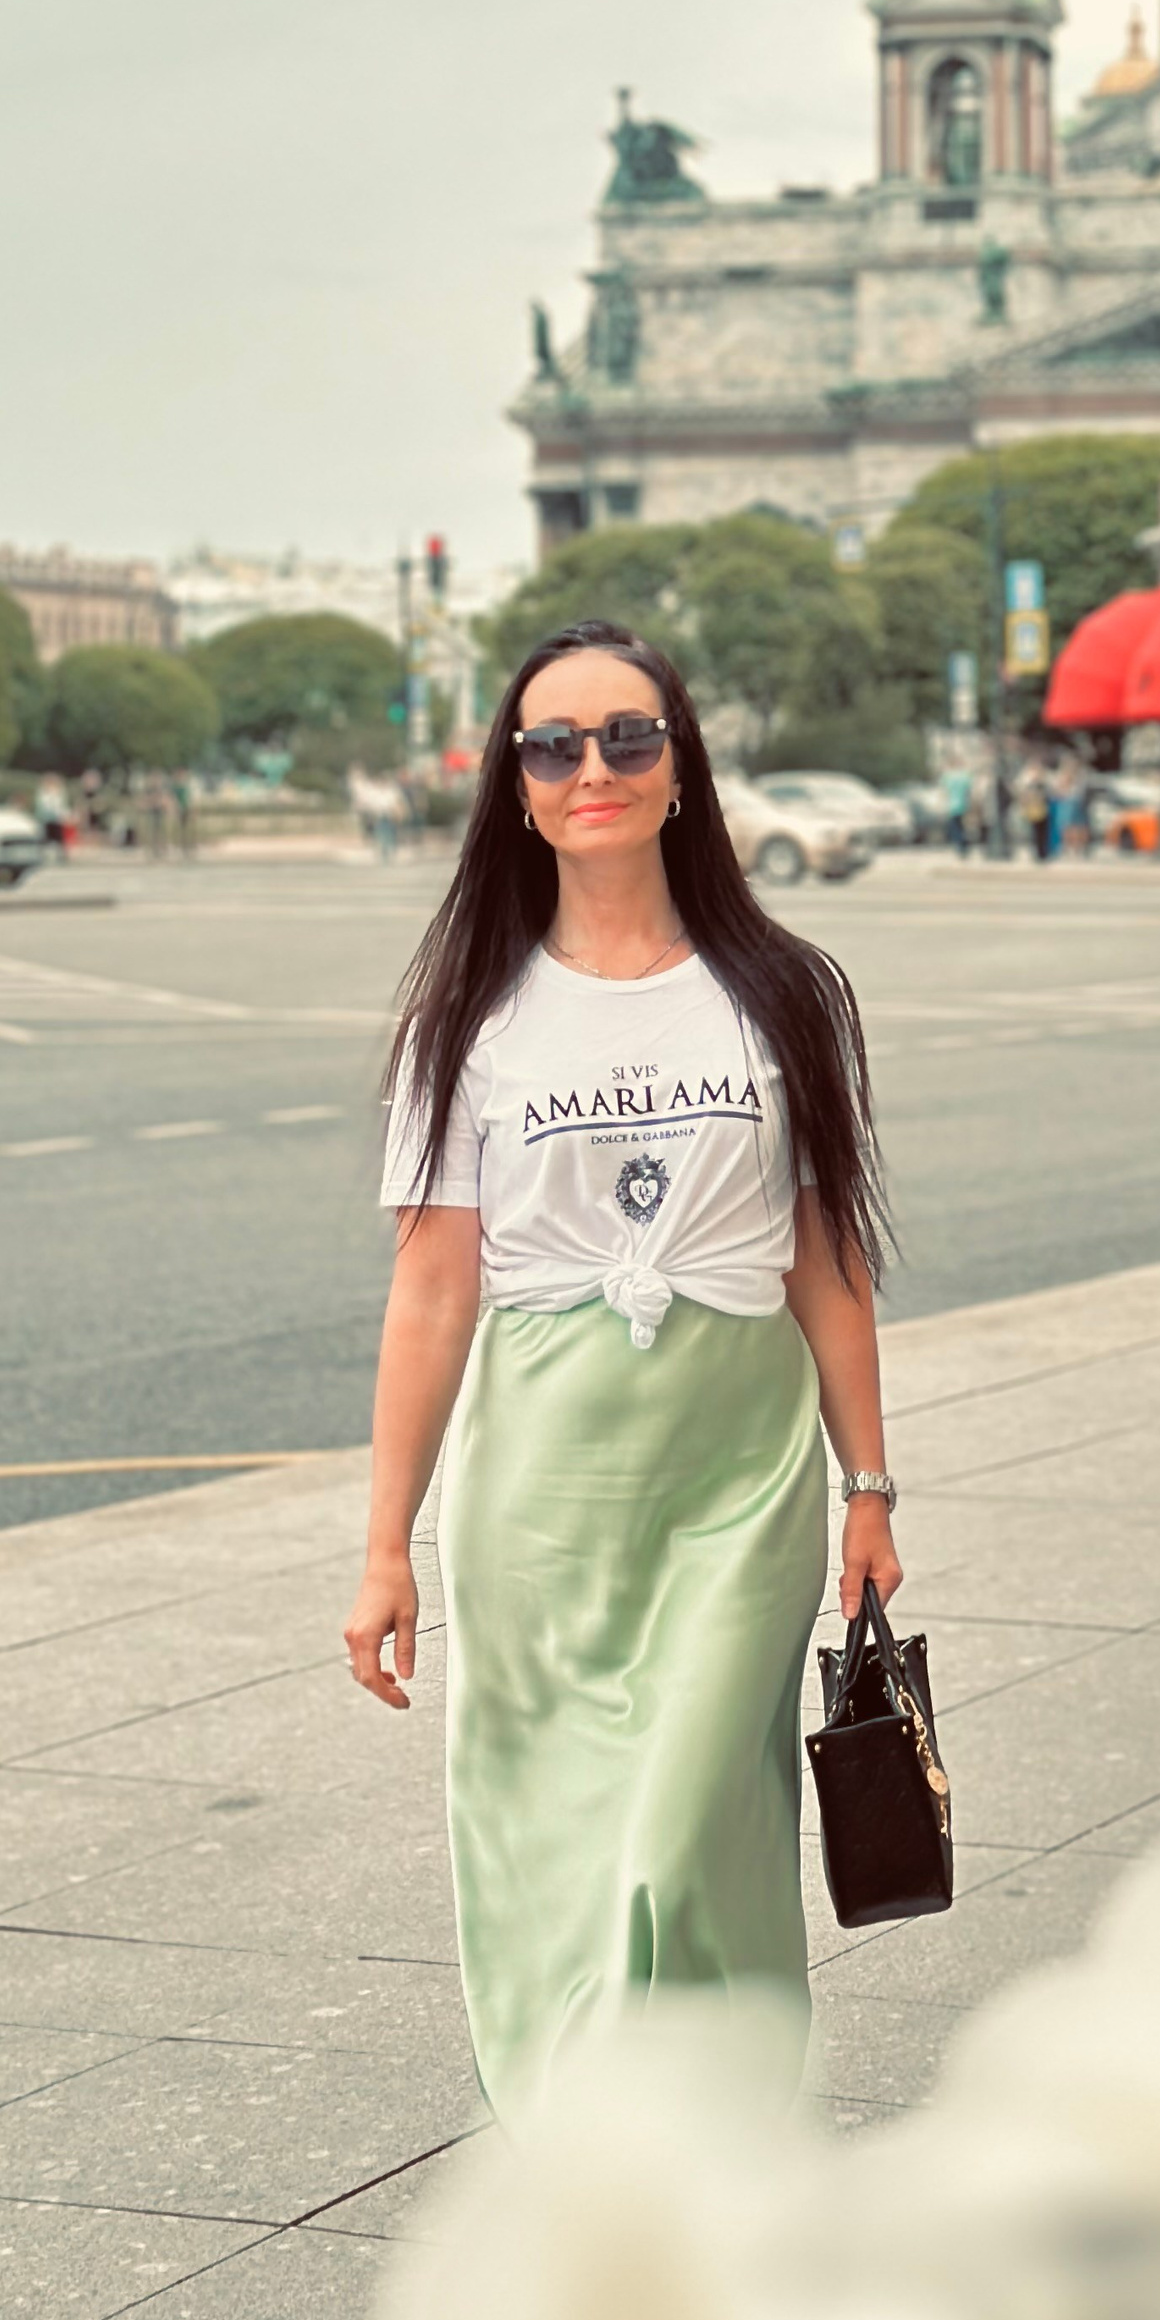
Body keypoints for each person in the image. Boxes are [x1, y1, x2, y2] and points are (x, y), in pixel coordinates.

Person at [344, 619, 900, 2124]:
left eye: (628, 737)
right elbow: (433, 1286)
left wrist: (870, 1485)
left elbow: (825, 1260)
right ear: (515, 786)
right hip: (539, 1482)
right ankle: (589, 2139)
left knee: (688, 1833)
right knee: (557, 1833)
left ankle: (718, 2133)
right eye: (552, 742)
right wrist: (386, 1543)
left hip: (739, 1479)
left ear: (681, 772)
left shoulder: (783, 991)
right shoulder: (467, 1016)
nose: (591, 765)